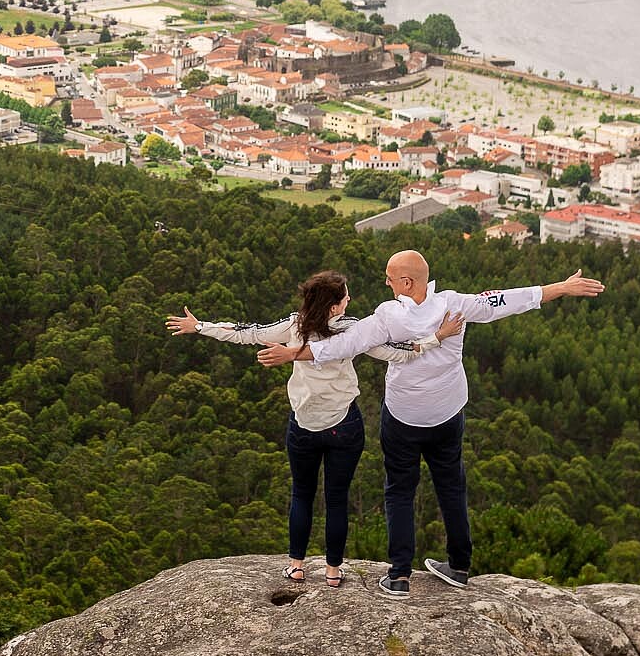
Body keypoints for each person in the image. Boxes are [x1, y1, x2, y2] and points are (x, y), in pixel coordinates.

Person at [258, 250, 604, 597]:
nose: (386, 282)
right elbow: (507, 300)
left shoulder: (387, 316)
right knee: (452, 486)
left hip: (403, 416)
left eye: (390, 277)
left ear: (405, 283)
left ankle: (399, 575)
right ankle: (458, 566)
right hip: (447, 413)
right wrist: (561, 287)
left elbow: (341, 345)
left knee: (400, 491)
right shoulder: (456, 304)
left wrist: (293, 353)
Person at [167, 270, 465, 588]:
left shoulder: (295, 326)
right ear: (335, 306)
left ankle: (296, 566)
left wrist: (199, 327)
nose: (350, 300)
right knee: (336, 500)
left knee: (302, 495)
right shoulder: (353, 330)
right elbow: (399, 353)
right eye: (345, 297)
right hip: (344, 426)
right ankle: (333, 571)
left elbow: (245, 333)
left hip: (304, 425)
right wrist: (438, 337)